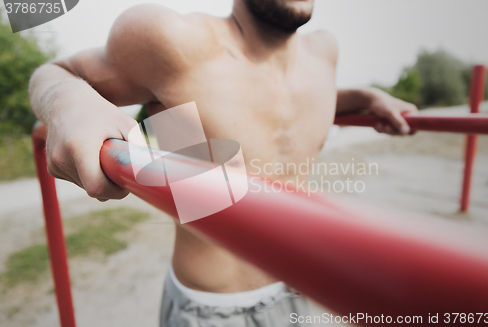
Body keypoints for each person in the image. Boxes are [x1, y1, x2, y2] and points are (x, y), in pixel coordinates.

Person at [29, 0, 417, 326]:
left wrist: (367, 95)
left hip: (296, 290)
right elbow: (58, 72)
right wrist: (69, 106)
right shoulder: (173, 40)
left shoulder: (324, 53)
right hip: (212, 309)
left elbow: (287, 97)